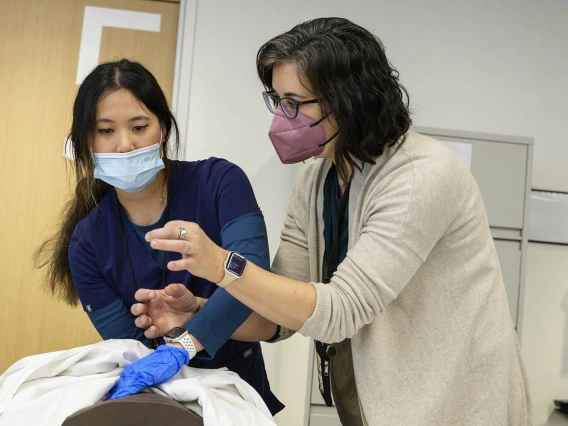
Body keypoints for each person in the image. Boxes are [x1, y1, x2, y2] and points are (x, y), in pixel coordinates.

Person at [129, 18, 532, 426]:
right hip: (378, 403)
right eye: (277, 100)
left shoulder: (419, 176)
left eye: (293, 102)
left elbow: (339, 311)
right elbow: (277, 315)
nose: (281, 118)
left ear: (348, 99)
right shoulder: (317, 180)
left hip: (456, 406)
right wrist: (200, 311)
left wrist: (221, 265)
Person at [35, 59, 283, 415]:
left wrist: (184, 338)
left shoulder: (219, 183)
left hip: (239, 398)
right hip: (158, 407)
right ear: (85, 141)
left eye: (139, 126)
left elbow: (251, 272)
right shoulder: (87, 243)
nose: (124, 145)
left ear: (163, 129)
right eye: (105, 131)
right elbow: (133, 352)